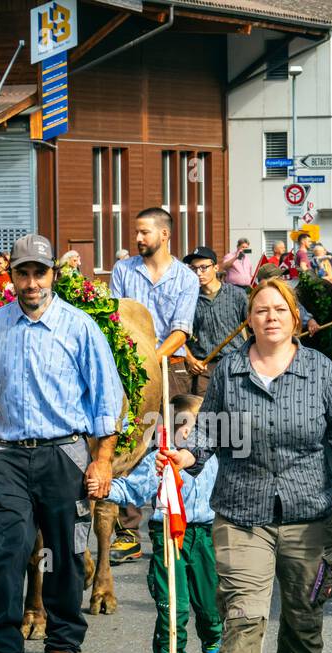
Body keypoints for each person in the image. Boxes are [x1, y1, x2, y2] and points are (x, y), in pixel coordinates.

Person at [159, 278, 332, 653]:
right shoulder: (230, 372)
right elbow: (208, 435)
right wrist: (184, 457)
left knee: (303, 609)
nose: (270, 316)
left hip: (310, 511)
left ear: (295, 318)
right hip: (242, 509)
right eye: (260, 310)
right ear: (248, 320)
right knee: (243, 609)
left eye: (279, 309)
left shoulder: (320, 370)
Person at [0, 234, 125, 653]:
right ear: (11, 277)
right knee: (5, 550)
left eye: (39, 272)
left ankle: (63, 646)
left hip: (65, 453)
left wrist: (102, 461)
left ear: (53, 275)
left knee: (66, 555)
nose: (31, 282)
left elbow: (107, 401)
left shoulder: (80, 328)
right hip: (7, 454)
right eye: (22, 273)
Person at [92, 393, 222, 653]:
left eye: (197, 425)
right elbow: (132, 491)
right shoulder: (159, 460)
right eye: (183, 425)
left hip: (204, 535)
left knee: (209, 600)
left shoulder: (215, 458)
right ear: (169, 428)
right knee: (172, 602)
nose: (189, 432)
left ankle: (212, 630)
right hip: (168, 535)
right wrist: (103, 488)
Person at [109, 207, 199, 564]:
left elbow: (181, 330)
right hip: (128, 371)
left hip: (168, 366)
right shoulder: (122, 270)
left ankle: (171, 521)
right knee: (129, 444)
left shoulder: (185, 278)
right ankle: (127, 531)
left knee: (174, 443)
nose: (138, 238)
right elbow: (116, 320)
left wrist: (150, 359)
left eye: (145, 232)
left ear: (165, 235)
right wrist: (136, 365)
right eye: (136, 232)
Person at [182, 245, 248, 397]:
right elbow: (178, 335)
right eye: (194, 268)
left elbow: (254, 329)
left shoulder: (237, 294)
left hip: (235, 364)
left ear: (216, 268)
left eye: (204, 267)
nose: (198, 273)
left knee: (236, 414)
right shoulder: (188, 299)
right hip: (204, 367)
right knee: (204, 416)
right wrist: (191, 360)